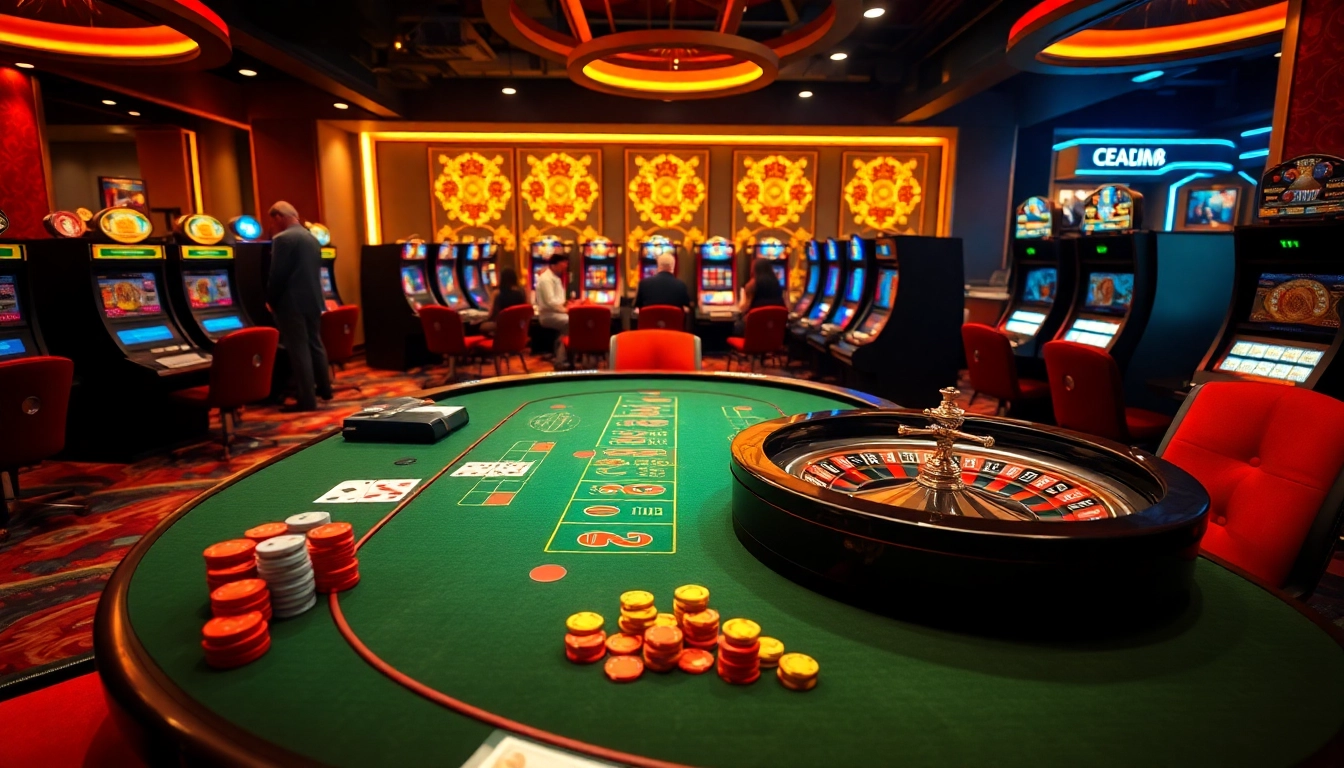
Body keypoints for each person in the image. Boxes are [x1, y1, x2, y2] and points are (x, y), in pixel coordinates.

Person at [266, 201, 331, 412]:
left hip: (290, 303)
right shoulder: (312, 238)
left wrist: (271, 300)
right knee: (315, 343)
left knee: (298, 349)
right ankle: (325, 389)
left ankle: (307, 400)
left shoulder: (283, 239)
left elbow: (278, 274)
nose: (273, 226)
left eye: (273, 221)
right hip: (313, 300)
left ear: (279, 217)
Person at [734, 257, 786, 335]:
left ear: (754, 270)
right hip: (773, 329)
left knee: (736, 325)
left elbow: (744, 308)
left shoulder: (751, 285)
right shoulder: (777, 284)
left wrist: (741, 297)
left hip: (754, 328)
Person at [535, 252, 571, 365]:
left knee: (574, 322)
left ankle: (563, 354)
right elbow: (550, 302)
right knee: (570, 323)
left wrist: (568, 305)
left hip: (556, 312)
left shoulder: (555, 278)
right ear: (555, 264)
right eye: (564, 263)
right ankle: (561, 360)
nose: (566, 266)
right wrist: (565, 310)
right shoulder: (546, 279)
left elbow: (559, 300)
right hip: (548, 315)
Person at [633, 252, 691, 318]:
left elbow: (637, 308)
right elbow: (687, 309)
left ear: (658, 265)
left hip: (650, 327)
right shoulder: (681, 286)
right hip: (672, 327)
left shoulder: (643, 284)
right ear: (673, 266)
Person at [481, 267, 527, 334]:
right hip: (518, 329)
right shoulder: (522, 293)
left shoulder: (497, 293)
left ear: (501, 279)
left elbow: (491, 313)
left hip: (502, 327)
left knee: (482, 326)